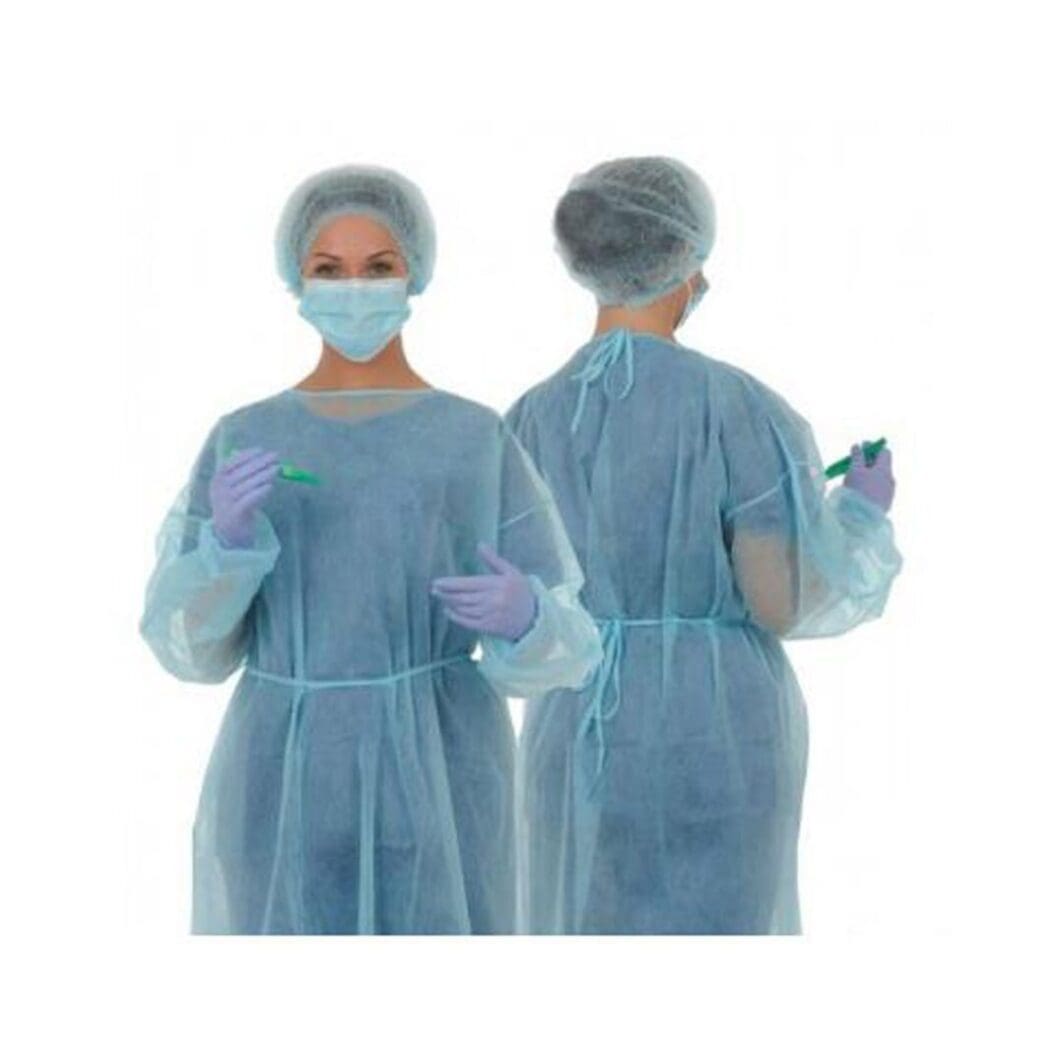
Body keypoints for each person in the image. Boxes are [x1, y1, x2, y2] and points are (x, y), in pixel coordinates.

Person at [138, 164, 602, 934]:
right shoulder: (246, 437)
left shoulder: (472, 437)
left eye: (377, 266)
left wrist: (527, 619)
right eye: (329, 268)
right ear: (296, 277)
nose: (354, 287)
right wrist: (224, 551)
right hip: (281, 773)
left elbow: (570, 644)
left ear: (413, 271)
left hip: (442, 771)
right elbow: (189, 648)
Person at [506, 156, 902, 934]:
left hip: (574, 729)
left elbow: (523, 607)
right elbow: (781, 600)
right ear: (684, 255)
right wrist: (859, 515)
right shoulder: (738, 408)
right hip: (714, 732)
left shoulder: (528, 418)